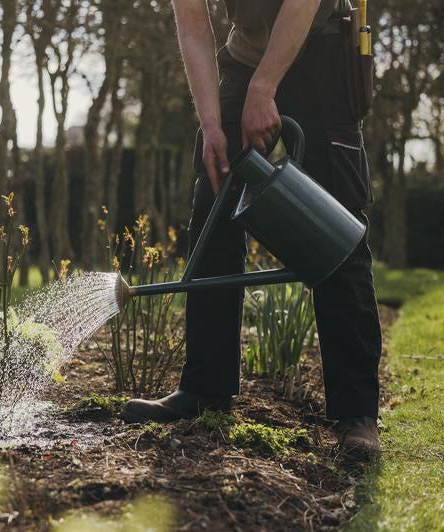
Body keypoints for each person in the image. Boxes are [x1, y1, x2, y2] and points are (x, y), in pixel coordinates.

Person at [119, 0, 383, 459]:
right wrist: (211, 122)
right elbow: (194, 30)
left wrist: (265, 87)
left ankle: (357, 414)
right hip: (242, 59)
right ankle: (204, 388)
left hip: (320, 51)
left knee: (338, 227)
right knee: (213, 210)